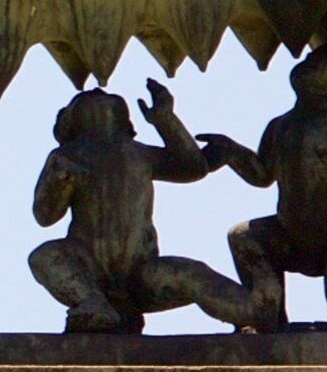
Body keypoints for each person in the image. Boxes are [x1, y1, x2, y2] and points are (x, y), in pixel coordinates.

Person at [30, 81, 259, 333]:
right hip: (87, 266)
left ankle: (253, 314)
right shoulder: (64, 156)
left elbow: (193, 168)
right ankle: (92, 303)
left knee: (192, 274)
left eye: (104, 92)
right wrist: (59, 181)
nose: (97, 91)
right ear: (69, 123)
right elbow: (45, 216)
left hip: (141, 273)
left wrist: (165, 120)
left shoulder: (138, 153)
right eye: (82, 98)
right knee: (45, 256)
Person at [208, 43, 327, 331]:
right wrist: (232, 151)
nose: (310, 62)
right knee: (244, 237)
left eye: (322, 61)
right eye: (310, 59)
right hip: (289, 235)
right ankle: (265, 314)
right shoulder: (280, 125)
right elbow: (262, 175)